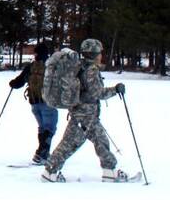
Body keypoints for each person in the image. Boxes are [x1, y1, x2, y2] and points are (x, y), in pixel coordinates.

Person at [41, 38, 128, 183]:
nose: (101, 55)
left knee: (98, 141)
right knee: (71, 145)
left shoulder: (79, 66)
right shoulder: (91, 70)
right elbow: (97, 93)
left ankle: (109, 171)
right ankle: (50, 171)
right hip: (85, 116)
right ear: (95, 53)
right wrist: (116, 89)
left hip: (82, 114)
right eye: (99, 52)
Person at [8, 41, 57, 165]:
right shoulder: (51, 67)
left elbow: (18, 82)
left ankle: (41, 153)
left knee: (42, 128)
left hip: (34, 102)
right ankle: (42, 153)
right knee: (49, 129)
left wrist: (13, 83)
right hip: (48, 102)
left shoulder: (30, 67)